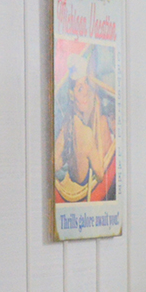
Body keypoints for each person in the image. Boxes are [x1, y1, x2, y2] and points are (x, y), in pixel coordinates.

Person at [54, 50, 116, 203]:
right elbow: (100, 174)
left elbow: (55, 163)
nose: (86, 91)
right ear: (72, 95)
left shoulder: (67, 125)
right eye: (80, 88)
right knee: (102, 121)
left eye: (87, 85)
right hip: (84, 183)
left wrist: (70, 156)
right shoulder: (86, 133)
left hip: (73, 179)